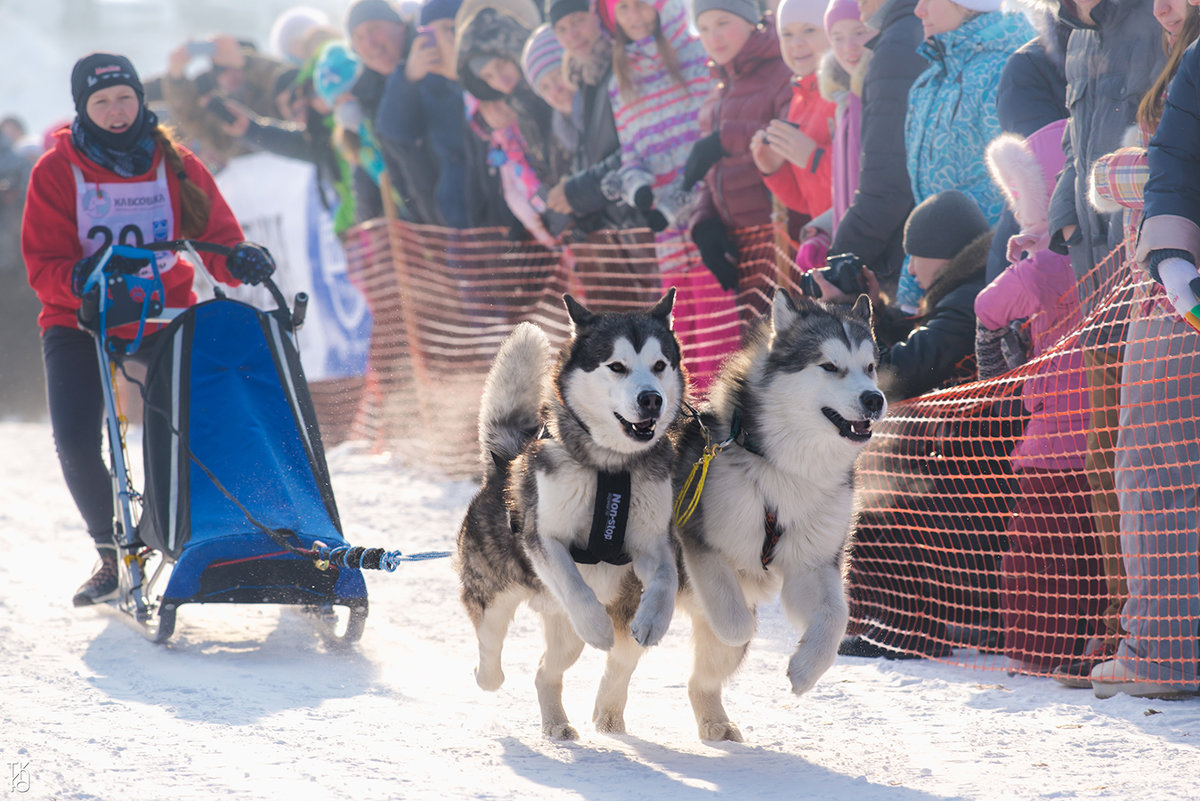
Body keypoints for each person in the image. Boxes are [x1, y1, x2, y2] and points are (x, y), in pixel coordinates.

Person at [20, 53, 275, 607]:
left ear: (140, 101)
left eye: (125, 99)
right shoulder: (56, 169)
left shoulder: (174, 163)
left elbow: (219, 237)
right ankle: (111, 552)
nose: (116, 111)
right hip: (78, 319)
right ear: (83, 110)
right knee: (75, 440)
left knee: (188, 423)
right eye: (102, 102)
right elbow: (43, 264)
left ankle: (189, 530)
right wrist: (79, 278)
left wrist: (243, 259)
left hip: (162, 314)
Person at [1050, 0, 1199, 688]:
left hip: (1168, 292)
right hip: (1150, 282)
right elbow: (1099, 159)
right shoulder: (1112, 48)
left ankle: (1162, 648)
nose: (1165, 7)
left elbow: (1168, 166)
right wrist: (1068, 215)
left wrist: (1127, 181)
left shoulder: (1178, 60)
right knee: (1129, 461)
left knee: (1157, 465)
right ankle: (1144, 636)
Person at [834, 189, 997, 660]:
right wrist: (875, 311)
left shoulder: (966, 299)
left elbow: (912, 366)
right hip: (964, 453)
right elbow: (917, 339)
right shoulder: (965, 290)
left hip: (967, 464)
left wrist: (852, 336)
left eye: (914, 255)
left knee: (892, 487)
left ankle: (909, 627)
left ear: (941, 252)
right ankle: (887, 617)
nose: (909, 269)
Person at [976, 120, 1103, 672]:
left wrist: (989, 347)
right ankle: (1094, 643)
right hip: (1103, 430)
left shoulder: (1048, 263)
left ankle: (1040, 650)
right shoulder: (1103, 247)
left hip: (1053, 439)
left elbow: (990, 303)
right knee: (1096, 556)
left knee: (1041, 555)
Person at [600, 0, 723, 387]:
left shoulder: (695, 53)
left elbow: (714, 129)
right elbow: (631, 151)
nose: (634, 16)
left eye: (641, 4)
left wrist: (688, 192)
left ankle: (723, 421)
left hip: (709, 210)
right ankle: (694, 424)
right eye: (623, 9)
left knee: (717, 320)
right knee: (678, 328)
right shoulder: (618, 80)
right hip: (664, 226)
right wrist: (638, 188)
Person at [687, 0, 793, 323]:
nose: (713, 36)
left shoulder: (781, 70)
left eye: (723, 22)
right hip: (742, 251)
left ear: (750, 21)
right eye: (704, 28)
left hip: (782, 239)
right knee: (758, 356)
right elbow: (712, 175)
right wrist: (704, 223)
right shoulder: (716, 93)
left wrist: (727, 139)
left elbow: (792, 138)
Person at [826, 0, 925, 300]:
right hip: (905, 245)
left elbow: (886, 185)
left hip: (907, 255)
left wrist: (837, 263)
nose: (850, 47)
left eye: (857, 32)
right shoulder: (844, 100)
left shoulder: (894, 52)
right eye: (836, 37)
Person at [751, 0, 838, 228]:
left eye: (809, 30)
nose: (796, 44)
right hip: (830, 236)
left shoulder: (843, 92)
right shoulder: (798, 100)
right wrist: (774, 170)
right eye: (787, 34)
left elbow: (865, 177)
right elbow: (805, 200)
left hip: (861, 235)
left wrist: (814, 157)